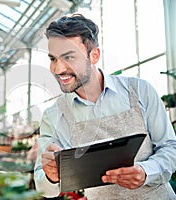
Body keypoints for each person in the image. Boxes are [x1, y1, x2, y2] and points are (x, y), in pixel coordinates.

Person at [34, 13, 176, 199]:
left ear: (94, 55)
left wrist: (145, 171)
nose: (58, 69)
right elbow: (43, 186)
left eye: (68, 57)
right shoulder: (54, 115)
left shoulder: (139, 91)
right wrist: (50, 176)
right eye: (53, 59)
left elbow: (170, 147)